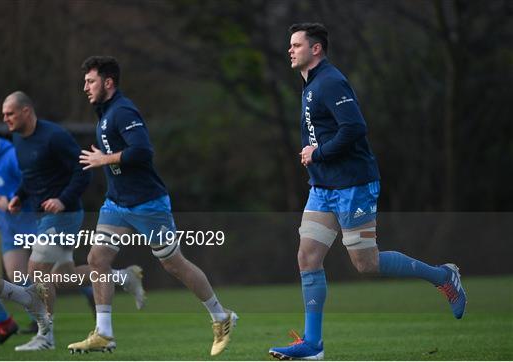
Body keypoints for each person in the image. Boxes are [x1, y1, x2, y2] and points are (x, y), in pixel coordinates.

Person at [268, 23, 467, 360]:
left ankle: (443, 276)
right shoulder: (310, 85)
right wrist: (317, 160)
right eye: (290, 45)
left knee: (365, 264)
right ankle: (312, 345)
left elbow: (355, 128)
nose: (290, 50)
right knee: (308, 257)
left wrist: (318, 153)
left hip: (353, 185)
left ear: (316, 49)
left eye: (297, 45)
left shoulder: (330, 82)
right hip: (323, 188)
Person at [68, 56, 237, 356]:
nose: (85, 87)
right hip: (116, 202)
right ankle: (104, 333)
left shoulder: (122, 110)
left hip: (147, 204)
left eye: (90, 81)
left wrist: (104, 160)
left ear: (108, 82)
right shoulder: (105, 111)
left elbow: (143, 151)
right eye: (84, 82)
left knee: (173, 264)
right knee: (97, 259)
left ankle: (220, 316)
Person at [2, 91, 145, 351]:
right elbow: (31, 175)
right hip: (43, 216)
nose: (5, 119)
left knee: (36, 270)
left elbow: (83, 171)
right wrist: (19, 197)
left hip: (64, 215)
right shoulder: (18, 139)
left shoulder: (54, 136)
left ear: (26, 111)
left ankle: (46, 336)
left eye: (10, 113)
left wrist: (62, 200)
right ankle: (123, 277)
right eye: (3, 114)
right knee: (62, 278)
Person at [0, 107, 50, 341]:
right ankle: (26, 310)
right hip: (8, 228)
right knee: (18, 275)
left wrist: (15, 199)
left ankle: (90, 288)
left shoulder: (11, 156)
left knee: (56, 275)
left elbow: (33, 182)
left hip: (31, 222)